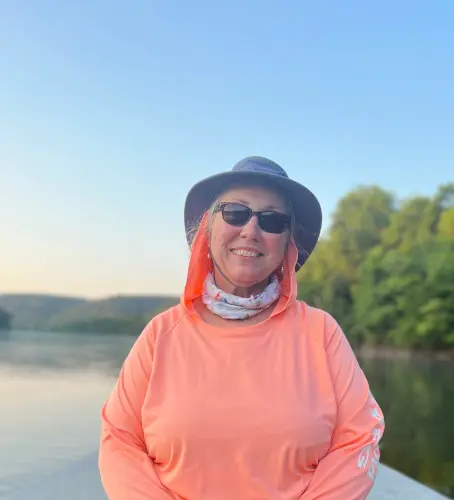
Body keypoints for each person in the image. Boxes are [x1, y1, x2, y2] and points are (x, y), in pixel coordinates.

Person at [98, 156, 385, 499]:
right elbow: (120, 441)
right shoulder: (161, 335)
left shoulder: (321, 333)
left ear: (287, 243)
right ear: (208, 226)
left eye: (273, 220)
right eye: (235, 212)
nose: (251, 230)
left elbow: (359, 438)